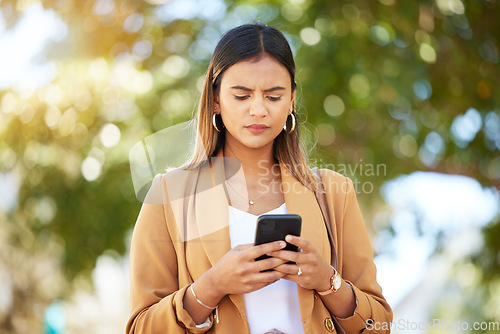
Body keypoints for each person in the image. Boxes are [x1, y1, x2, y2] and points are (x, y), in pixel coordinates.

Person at [126, 23, 392, 334]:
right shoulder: (170, 194)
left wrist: (327, 281)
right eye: (241, 95)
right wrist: (211, 286)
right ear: (215, 99)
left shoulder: (333, 193)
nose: (258, 110)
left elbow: (380, 325)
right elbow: (140, 327)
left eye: (273, 96)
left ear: (291, 100)